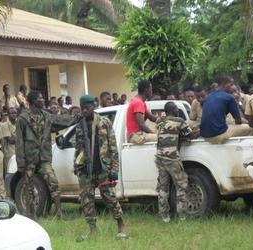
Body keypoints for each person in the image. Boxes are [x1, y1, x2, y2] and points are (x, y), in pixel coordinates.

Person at [15, 91, 80, 219]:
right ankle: (31, 214)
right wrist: (21, 163)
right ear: (33, 102)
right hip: (29, 158)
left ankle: (59, 212)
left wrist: (78, 117)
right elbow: (19, 142)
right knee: (28, 187)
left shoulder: (47, 116)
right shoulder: (22, 119)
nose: (43, 100)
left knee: (53, 182)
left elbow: (63, 121)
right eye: (40, 98)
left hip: (44, 157)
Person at [74, 95, 126, 241]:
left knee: (109, 198)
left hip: (102, 167)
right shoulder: (80, 125)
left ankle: (121, 226)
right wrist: (76, 166)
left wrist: (114, 170)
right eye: (82, 108)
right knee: (86, 201)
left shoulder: (104, 122)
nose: (84, 110)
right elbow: (78, 149)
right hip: (85, 169)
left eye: (87, 107)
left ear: (94, 106)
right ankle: (92, 230)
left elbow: (113, 148)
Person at [155, 102, 197, 223]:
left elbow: (167, 135)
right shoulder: (179, 121)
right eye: (176, 109)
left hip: (160, 157)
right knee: (181, 185)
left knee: (163, 187)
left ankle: (164, 216)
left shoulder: (159, 121)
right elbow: (191, 135)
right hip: (172, 159)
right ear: (173, 110)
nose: (178, 111)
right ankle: (182, 216)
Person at [200, 76, 247, 144]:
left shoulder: (208, 96)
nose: (233, 87)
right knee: (251, 129)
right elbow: (238, 121)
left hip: (205, 135)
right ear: (225, 84)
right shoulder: (229, 97)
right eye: (231, 84)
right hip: (219, 135)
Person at [126, 80, 158, 144]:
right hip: (135, 135)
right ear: (146, 91)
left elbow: (152, 118)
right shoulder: (138, 102)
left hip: (136, 135)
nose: (152, 92)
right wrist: (153, 133)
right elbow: (142, 125)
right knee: (161, 138)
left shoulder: (141, 102)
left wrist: (164, 120)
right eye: (151, 90)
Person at [1, 107, 17, 174]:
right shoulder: (4, 125)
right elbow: (11, 140)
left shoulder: (19, 123)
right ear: (8, 114)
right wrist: (22, 137)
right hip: (9, 153)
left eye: (15, 113)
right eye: (12, 113)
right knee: (10, 172)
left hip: (19, 151)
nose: (14, 114)